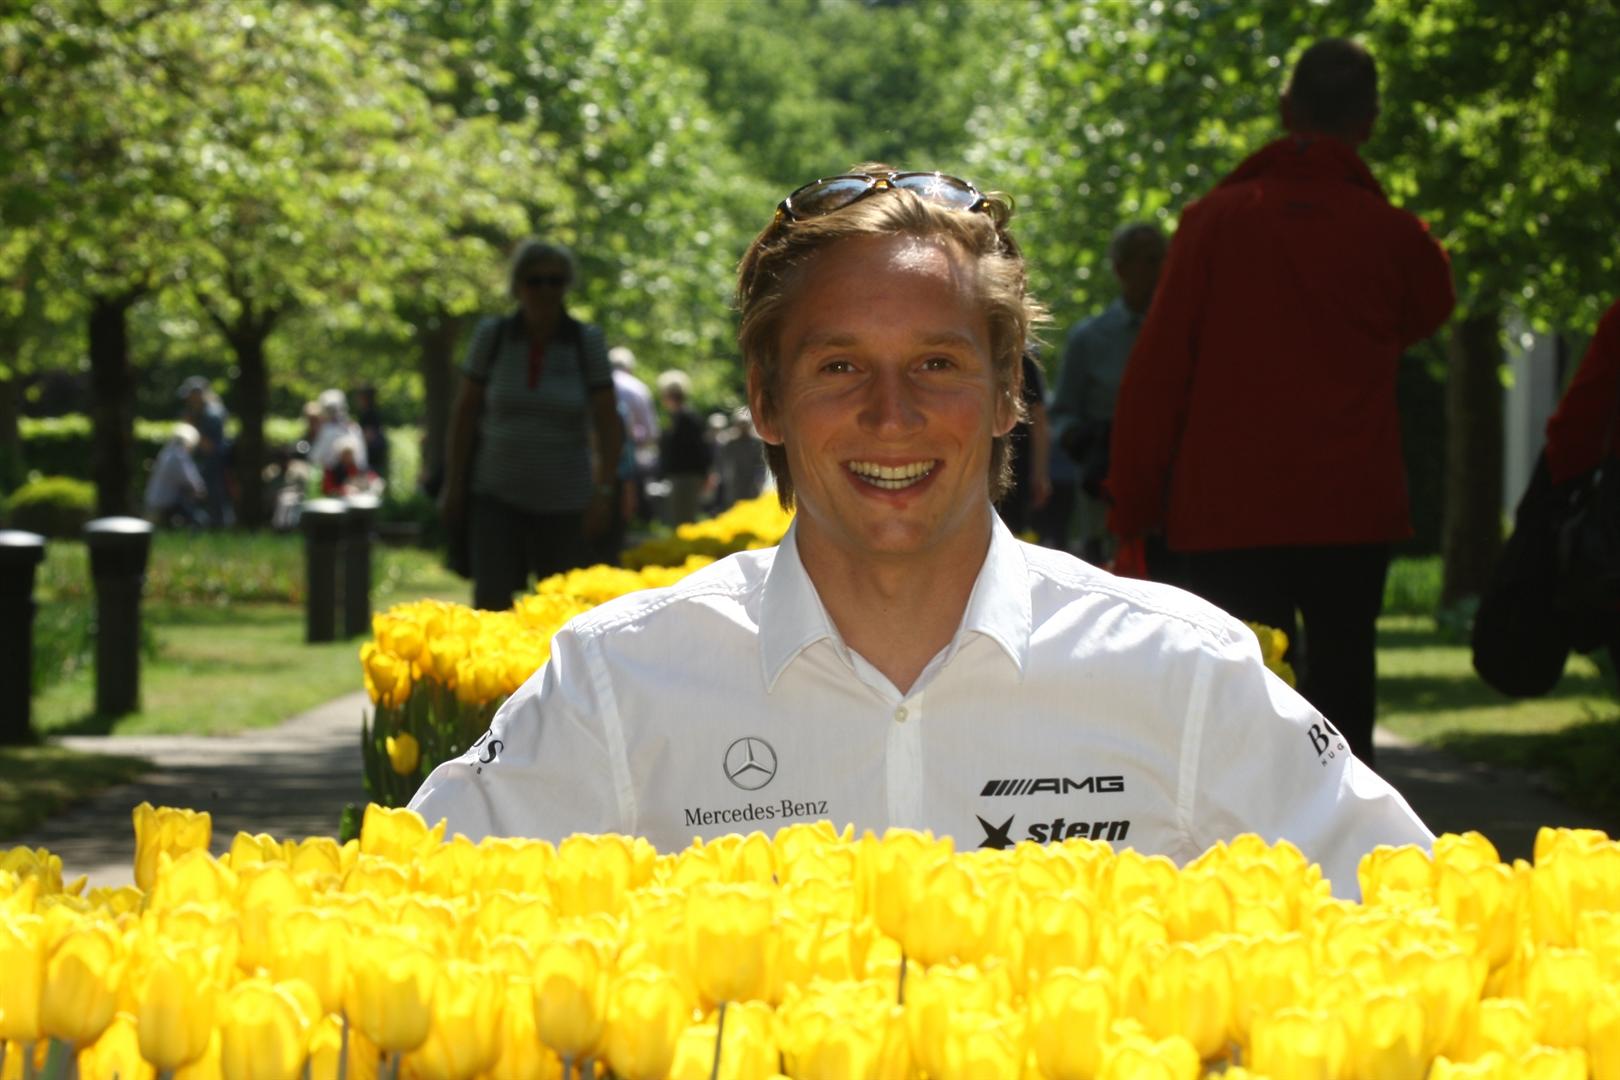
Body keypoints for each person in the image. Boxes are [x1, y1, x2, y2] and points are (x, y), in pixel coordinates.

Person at [410, 166, 1432, 899]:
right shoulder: (619, 684)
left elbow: (1414, 923)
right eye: (839, 366)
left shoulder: (1183, 672)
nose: (890, 415)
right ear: (766, 402)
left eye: (938, 364)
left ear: (1006, 399)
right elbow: (414, 915)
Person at [1105, 39, 1456, 766]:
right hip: (1349, 502)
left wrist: (1132, 510)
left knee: (1238, 690)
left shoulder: (1212, 224)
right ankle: (1348, 848)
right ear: (1369, 121)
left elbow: (1157, 375)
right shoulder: (1394, 237)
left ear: (1284, 109)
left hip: (1228, 506)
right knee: (1343, 687)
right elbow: (1429, 307)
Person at [439, 239, 624, 610]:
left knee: (564, 608)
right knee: (492, 602)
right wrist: (454, 483)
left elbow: (608, 421)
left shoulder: (585, 342)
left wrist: (604, 493)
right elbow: (466, 412)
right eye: (534, 281)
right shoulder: (492, 337)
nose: (544, 290)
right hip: (495, 496)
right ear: (518, 286)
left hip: (566, 503)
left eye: (554, 281)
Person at [1048, 223, 1166, 565]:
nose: (1158, 270)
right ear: (1121, 268)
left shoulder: (1183, 333)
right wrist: (1086, 444)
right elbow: (1062, 413)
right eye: (1147, 260)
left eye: (1161, 259)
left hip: (1173, 499)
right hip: (1106, 495)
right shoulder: (1091, 338)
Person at [995, 350, 1051, 537]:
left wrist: (1040, 472)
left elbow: (1038, 418)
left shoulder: (1023, 357)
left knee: (1013, 527)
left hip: (1017, 460)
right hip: (989, 458)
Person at [656, 369, 711, 527]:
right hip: (682, 476)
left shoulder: (686, 419)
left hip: (686, 477)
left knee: (683, 521)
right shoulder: (679, 418)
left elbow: (700, 450)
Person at [178, 376, 233, 527]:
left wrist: (191, 426)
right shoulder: (203, 412)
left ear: (198, 395)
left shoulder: (212, 414)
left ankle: (218, 528)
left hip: (215, 463)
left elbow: (210, 446)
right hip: (210, 463)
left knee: (216, 497)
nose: (188, 400)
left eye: (190, 396)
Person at [144, 422, 208, 527]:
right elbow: (193, 481)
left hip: (153, 501)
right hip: (164, 505)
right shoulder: (179, 455)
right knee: (200, 519)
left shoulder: (167, 452)